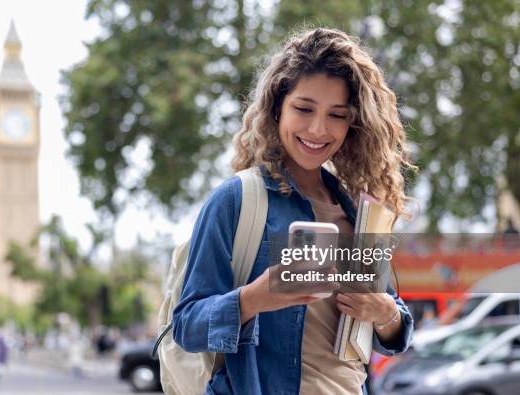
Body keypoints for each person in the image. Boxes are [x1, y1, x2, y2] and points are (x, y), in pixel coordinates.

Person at [172, 27, 416, 394]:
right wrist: (253, 298)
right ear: (277, 107)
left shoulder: (356, 213)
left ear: (353, 123)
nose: (318, 129)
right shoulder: (236, 201)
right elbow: (187, 326)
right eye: (304, 108)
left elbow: (393, 332)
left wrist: (385, 314)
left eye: (337, 114)